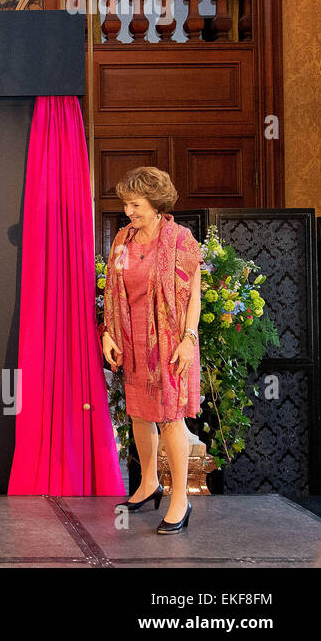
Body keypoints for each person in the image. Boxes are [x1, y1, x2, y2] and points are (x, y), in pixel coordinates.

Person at [100, 166, 203, 534]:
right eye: (127, 204)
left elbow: (194, 296)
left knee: (171, 417)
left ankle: (180, 499)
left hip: (171, 342)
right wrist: (109, 333)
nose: (130, 211)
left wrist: (189, 339)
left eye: (136, 204)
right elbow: (112, 289)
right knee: (140, 414)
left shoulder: (180, 239)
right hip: (131, 339)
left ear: (156, 204)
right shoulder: (123, 239)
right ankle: (148, 483)